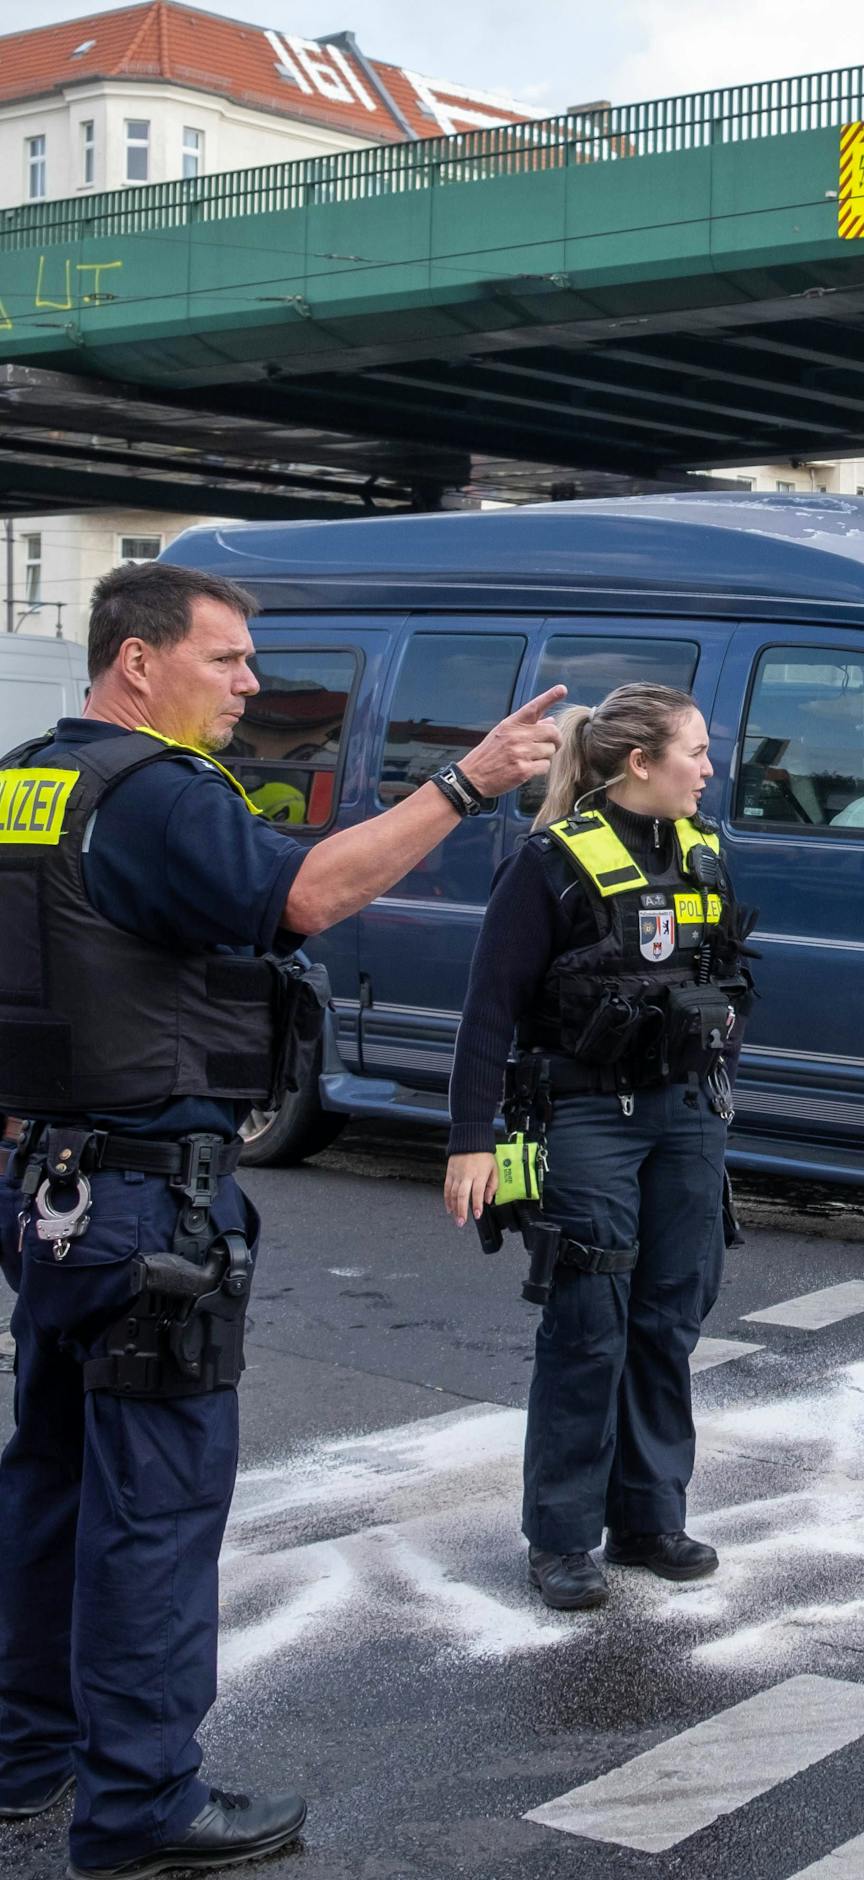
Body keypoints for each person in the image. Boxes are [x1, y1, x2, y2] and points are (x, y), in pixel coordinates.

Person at [0, 561, 563, 1878]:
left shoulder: (28, 777)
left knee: (52, 1481)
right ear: (136, 660)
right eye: (227, 659)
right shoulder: (154, 794)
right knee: (156, 1503)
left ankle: (23, 1756)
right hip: (147, 1197)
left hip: (50, 1185)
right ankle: (139, 1805)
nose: (251, 688)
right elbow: (307, 893)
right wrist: (466, 783)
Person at [443, 684, 752, 1613]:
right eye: (695, 751)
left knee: (669, 1316)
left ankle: (650, 1515)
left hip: (686, 1116)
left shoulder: (705, 852)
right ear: (639, 765)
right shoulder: (549, 865)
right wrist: (471, 1144)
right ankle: (563, 1537)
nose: (710, 767)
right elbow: (488, 1009)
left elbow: (731, 978)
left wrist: (713, 1054)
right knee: (587, 1325)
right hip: (587, 1120)